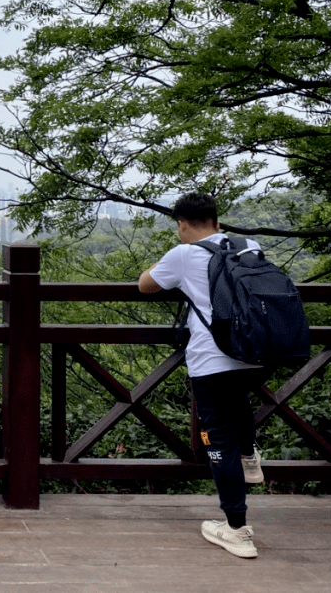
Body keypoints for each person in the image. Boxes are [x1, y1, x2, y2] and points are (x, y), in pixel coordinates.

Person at [138, 192, 268, 559]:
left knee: (218, 444)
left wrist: (165, 265)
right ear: (217, 221)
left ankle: (237, 530)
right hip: (255, 354)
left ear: (181, 224)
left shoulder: (183, 254)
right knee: (238, 399)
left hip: (212, 362)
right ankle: (249, 456)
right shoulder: (249, 246)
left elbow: (145, 284)